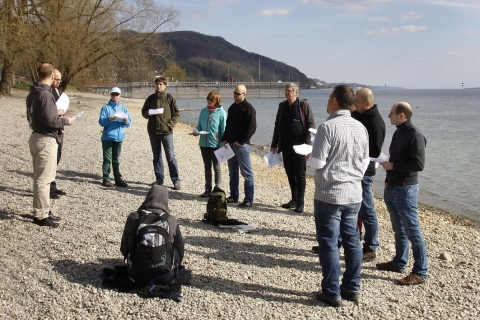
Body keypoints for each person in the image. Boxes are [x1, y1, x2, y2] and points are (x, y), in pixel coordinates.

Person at [309, 85, 369, 307]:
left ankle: (332, 292)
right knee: (353, 241)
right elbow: (364, 163)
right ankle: (352, 287)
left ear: (334, 100)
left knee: (329, 243)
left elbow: (318, 162)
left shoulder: (327, 127)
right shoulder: (360, 128)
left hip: (330, 193)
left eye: (328, 98)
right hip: (353, 193)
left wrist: (309, 155)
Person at [376, 102, 428, 286]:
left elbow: (419, 165)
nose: (388, 116)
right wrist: (388, 177)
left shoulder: (415, 134)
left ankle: (420, 272)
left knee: (412, 231)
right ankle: (399, 262)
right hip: (393, 186)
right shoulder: (399, 131)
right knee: (398, 229)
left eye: (392, 113)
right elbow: (397, 158)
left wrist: (393, 167)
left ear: (402, 115)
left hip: (406, 189)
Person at [26, 62, 75, 227]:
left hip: (35, 135)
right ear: (52, 76)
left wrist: (55, 115)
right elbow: (50, 120)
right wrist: (65, 121)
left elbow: (34, 115)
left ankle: (44, 209)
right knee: (44, 179)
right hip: (45, 139)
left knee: (42, 178)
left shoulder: (33, 92)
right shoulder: (46, 94)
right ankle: (40, 215)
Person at [120, 184, 186, 286]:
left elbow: (124, 248)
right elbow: (180, 250)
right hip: (164, 277)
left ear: (148, 197)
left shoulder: (134, 217)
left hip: (135, 276)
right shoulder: (170, 219)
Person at [351, 88, 386, 261]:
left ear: (367, 103)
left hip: (366, 171)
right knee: (353, 208)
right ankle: (352, 240)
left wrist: (353, 146)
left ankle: (371, 246)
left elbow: (375, 150)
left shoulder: (376, 122)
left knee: (367, 209)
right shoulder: (357, 114)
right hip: (353, 168)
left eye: (356, 100)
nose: (354, 103)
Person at [270, 83, 315, 213]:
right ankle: (294, 199)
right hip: (285, 146)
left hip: (301, 147)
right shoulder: (282, 106)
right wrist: (274, 145)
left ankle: (300, 202)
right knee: (290, 173)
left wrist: (308, 147)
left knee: (300, 174)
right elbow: (277, 126)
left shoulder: (303, 106)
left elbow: (311, 126)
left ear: (296, 92)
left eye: (289, 90)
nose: (287, 92)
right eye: (286, 90)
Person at [142, 77, 181, 190]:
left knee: (171, 157)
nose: (159, 86)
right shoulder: (151, 98)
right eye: (157, 84)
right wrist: (147, 114)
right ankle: (159, 178)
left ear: (165, 85)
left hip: (166, 132)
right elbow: (143, 111)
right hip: (153, 131)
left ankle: (176, 180)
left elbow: (176, 114)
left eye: (161, 84)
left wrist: (170, 126)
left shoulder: (169, 98)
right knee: (157, 157)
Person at [222, 84, 256, 208]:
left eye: (238, 93)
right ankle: (234, 196)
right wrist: (224, 138)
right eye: (234, 93)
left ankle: (248, 199)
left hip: (241, 146)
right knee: (233, 173)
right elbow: (228, 125)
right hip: (230, 144)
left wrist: (241, 141)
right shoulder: (232, 108)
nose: (235, 95)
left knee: (246, 173)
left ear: (244, 94)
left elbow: (252, 128)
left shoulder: (248, 108)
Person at [193, 91, 226, 197]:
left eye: (211, 100)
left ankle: (217, 187)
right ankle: (207, 188)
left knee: (216, 166)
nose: (208, 101)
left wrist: (223, 143)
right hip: (203, 143)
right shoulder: (203, 111)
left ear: (216, 101)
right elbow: (199, 125)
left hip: (216, 144)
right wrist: (196, 131)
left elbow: (223, 129)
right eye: (207, 99)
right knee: (207, 166)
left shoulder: (221, 112)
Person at [98, 87, 131, 187]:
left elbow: (129, 123)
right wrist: (109, 119)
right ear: (110, 95)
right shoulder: (105, 108)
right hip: (107, 136)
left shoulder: (123, 108)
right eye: (113, 94)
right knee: (107, 158)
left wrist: (125, 120)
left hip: (119, 136)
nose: (115, 96)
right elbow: (101, 122)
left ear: (120, 95)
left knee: (116, 158)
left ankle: (117, 178)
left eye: (117, 94)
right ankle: (106, 178)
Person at [49, 69, 67, 199]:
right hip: (50, 131)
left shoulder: (57, 91)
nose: (58, 82)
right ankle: (48, 188)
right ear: (50, 77)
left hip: (58, 129)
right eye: (56, 79)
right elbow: (49, 113)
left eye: (60, 80)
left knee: (57, 157)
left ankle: (52, 183)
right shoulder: (46, 93)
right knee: (49, 160)